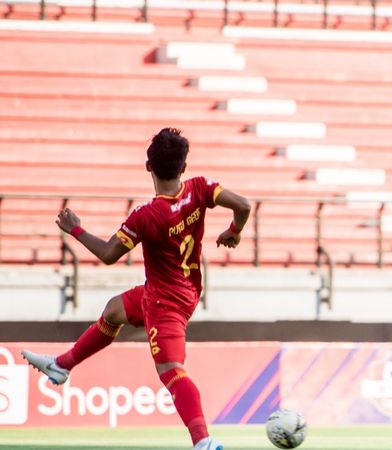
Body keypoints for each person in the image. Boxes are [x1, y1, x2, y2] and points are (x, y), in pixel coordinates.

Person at [22, 128, 251, 450]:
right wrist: (234, 232)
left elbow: (108, 254)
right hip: (181, 288)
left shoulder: (146, 216)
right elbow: (243, 205)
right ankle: (62, 366)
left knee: (171, 371)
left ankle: (203, 441)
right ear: (183, 167)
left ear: (148, 167)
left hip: (165, 302)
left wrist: (75, 228)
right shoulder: (201, 188)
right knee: (115, 310)